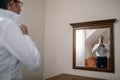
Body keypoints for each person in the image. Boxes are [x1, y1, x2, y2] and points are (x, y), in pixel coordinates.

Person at [0, 0, 40, 80]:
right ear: (11, 4)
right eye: (19, 4)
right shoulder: (7, 24)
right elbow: (34, 63)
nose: (20, 9)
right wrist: (25, 35)